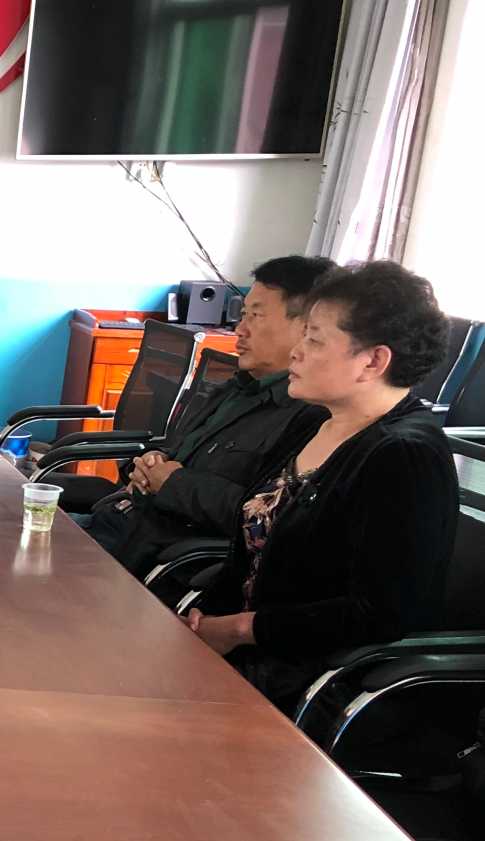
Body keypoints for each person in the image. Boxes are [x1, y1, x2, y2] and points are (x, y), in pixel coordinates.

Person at [186, 261, 458, 713]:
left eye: (313, 340)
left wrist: (239, 629)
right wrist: (205, 620)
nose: (296, 352)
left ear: (373, 361)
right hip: (244, 654)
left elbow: (377, 614)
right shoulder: (314, 420)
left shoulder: (403, 456)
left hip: (318, 683)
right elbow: (249, 549)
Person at [80, 256, 337, 583]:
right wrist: (150, 464)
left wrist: (173, 482)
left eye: (256, 315)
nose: (240, 329)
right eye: (243, 314)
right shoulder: (238, 387)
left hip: (155, 559)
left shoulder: (309, 417)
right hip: (122, 521)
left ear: (305, 329)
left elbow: (261, 517)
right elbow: (177, 455)